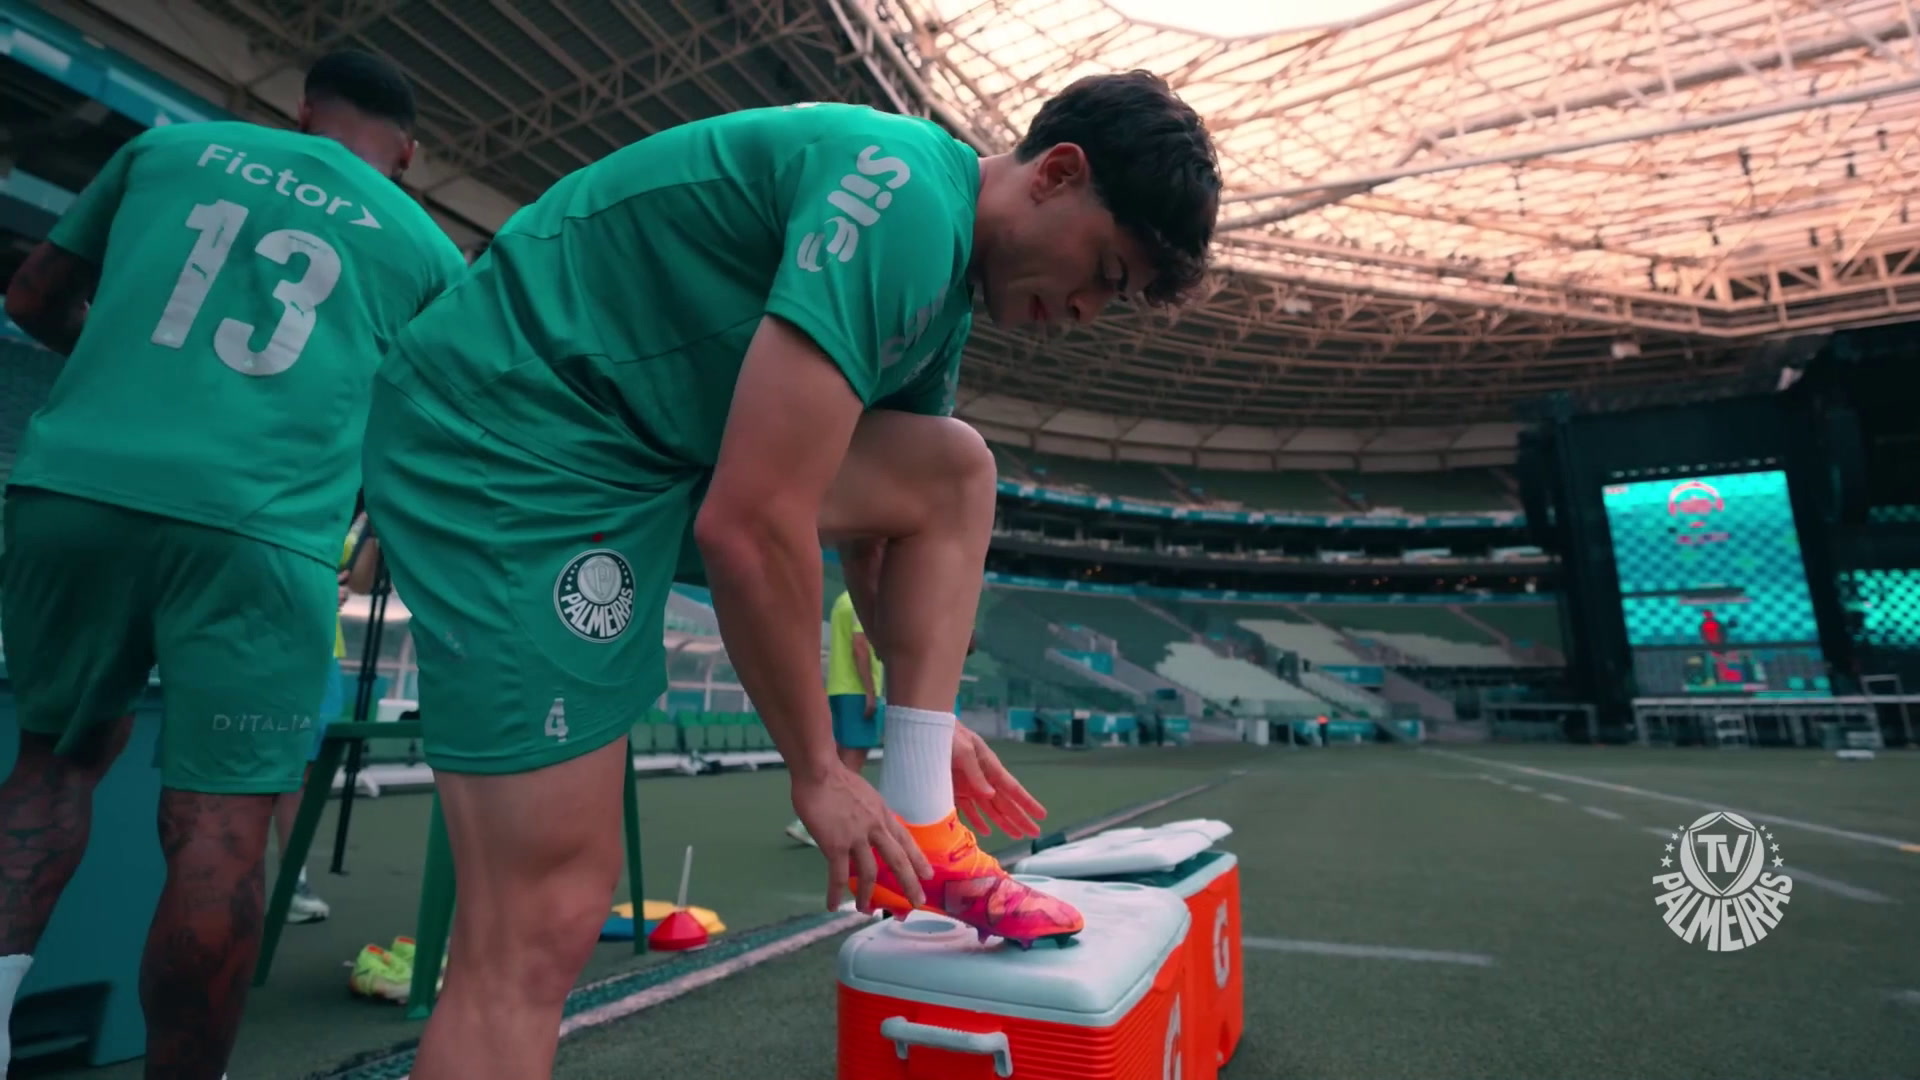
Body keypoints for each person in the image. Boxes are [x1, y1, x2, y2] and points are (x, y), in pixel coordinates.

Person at [360, 70, 1219, 1080]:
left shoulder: (940, 288)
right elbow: (750, 521)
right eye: (1105, 274)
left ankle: (927, 822)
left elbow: (878, 541)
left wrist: (922, 729)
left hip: (636, 450)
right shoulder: (902, 201)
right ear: (1057, 174)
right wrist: (816, 770)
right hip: (512, 436)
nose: (1083, 312)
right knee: (541, 917)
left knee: (952, 473)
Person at [0, 51, 465, 1076]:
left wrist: (127, 377)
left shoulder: (167, 150)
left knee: (48, 764)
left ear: (303, 113)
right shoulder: (431, 254)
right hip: (257, 531)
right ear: (410, 153)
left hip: (73, 488)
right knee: (218, 829)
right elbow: (427, 437)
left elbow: (32, 299)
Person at [786, 588, 886, 848]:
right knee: (852, 763)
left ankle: (815, 822)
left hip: (840, 689)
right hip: (857, 691)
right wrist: (870, 692)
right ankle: (813, 825)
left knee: (841, 761)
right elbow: (860, 646)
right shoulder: (862, 601)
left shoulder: (842, 599)